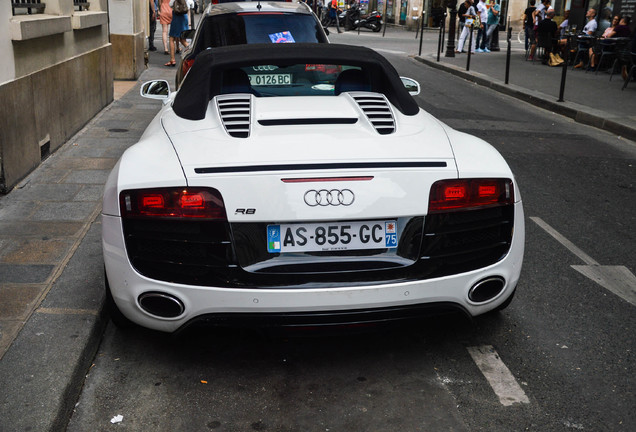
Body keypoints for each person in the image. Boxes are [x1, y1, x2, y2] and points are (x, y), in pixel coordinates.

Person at [165, 0, 194, 67]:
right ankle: (192, 53)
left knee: (172, 38)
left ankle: (172, 59)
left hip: (176, 18)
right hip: (184, 18)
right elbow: (192, 4)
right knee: (183, 39)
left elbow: (170, 4)